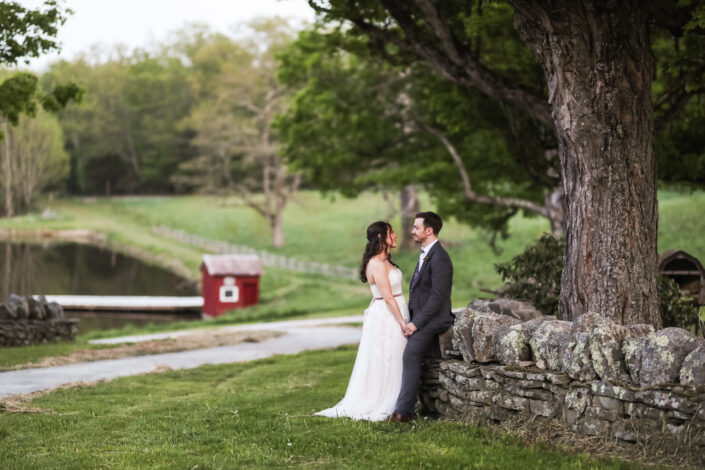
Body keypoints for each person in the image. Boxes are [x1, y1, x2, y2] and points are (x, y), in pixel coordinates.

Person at [315, 221, 410, 421]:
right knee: (386, 356)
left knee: (395, 354)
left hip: (395, 311)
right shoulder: (375, 263)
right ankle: (384, 400)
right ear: (380, 237)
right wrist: (402, 323)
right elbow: (388, 297)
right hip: (387, 315)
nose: (396, 236)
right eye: (391, 233)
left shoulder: (387, 261)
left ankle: (401, 400)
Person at [387, 211, 454, 423]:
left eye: (416, 227)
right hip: (422, 318)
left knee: (410, 356)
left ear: (429, 230)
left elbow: (437, 298)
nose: (412, 231)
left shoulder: (440, 258)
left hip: (434, 320)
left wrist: (416, 323)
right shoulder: (426, 252)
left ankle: (403, 412)